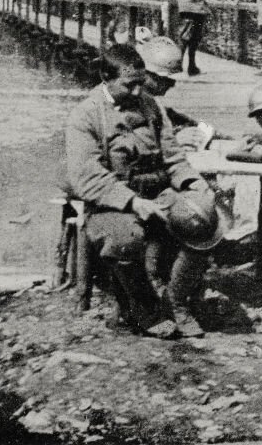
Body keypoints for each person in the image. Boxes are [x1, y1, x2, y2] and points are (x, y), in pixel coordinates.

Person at [65, 44, 220, 338]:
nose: (138, 92)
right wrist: (133, 202)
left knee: (205, 219)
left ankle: (175, 302)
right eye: (129, 84)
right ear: (105, 78)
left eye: (140, 82)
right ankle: (143, 309)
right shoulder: (85, 115)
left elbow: (174, 159)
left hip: (159, 192)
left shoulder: (152, 106)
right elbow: (87, 177)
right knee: (125, 237)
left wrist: (194, 184)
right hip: (111, 201)